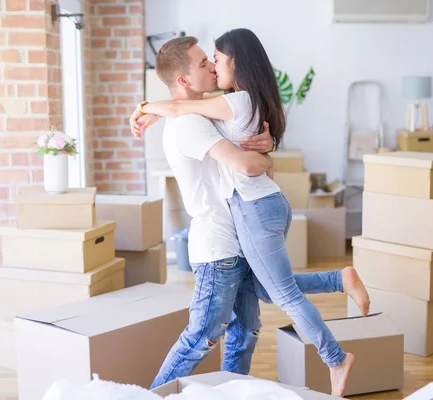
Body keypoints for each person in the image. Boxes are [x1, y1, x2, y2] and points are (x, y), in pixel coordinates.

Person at [131, 31, 369, 397]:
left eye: (214, 60)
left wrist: (268, 147)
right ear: (182, 79)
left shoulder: (212, 107)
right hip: (219, 245)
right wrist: (147, 107)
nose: (212, 66)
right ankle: (149, 397)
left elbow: (248, 150)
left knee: (247, 330)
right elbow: (243, 163)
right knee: (206, 334)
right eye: (203, 63)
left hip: (241, 231)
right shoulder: (191, 122)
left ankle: (233, 392)